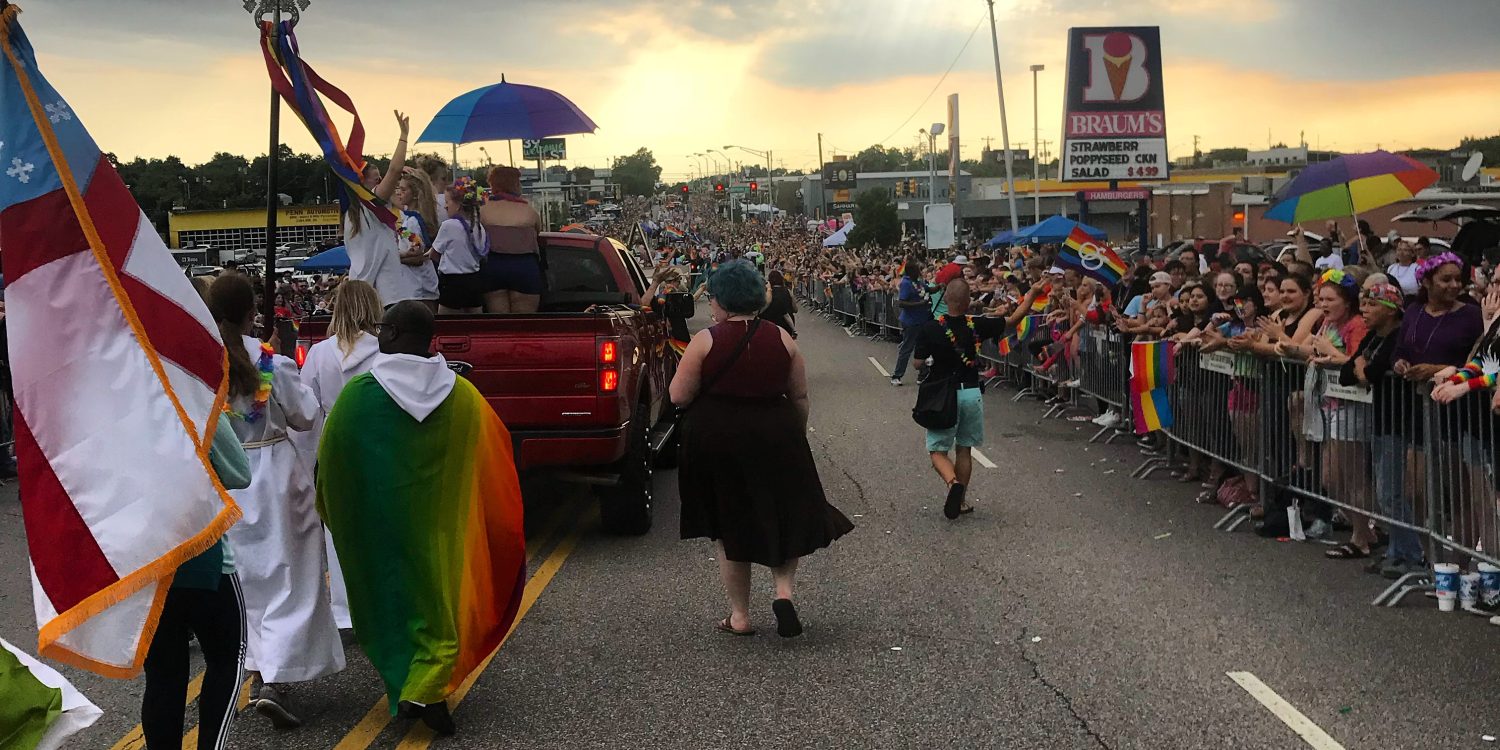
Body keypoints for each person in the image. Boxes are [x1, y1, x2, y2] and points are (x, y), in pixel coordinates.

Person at [317, 301, 527, 736]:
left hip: (384, 529)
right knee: (443, 603)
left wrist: (346, 512)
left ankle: (418, 687)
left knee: (394, 604)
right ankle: (428, 686)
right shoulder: (465, 396)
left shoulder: (359, 395)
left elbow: (330, 464)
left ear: (391, 334)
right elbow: (496, 453)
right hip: (447, 529)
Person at [670, 260, 852, 639]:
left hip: (721, 440)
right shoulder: (782, 339)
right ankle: (783, 594)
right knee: (783, 512)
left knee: (729, 525)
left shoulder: (707, 339)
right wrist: (794, 434)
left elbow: (678, 395)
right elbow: (799, 395)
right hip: (778, 433)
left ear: (722, 301)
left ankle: (739, 615)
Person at [208, 274, 344, 729]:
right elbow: (306, 416)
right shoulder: (270, 362)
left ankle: (254, 667)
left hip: (228, 478)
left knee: (247, 579)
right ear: (252, 312)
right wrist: (272, 357)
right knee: (293, 576)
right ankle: (274, 680)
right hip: (276, 475)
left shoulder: (202, 362)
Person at [142, 410, 251, 748]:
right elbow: (238, 472)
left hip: (148, 560)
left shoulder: (117, 401)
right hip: (206, 558)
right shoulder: (193, 394)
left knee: (162, 676)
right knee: (226, 660)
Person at [295, 280, 383, 629]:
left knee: (338, 529)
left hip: (333, 444)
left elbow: (306, 411)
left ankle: (345, 611)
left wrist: (304, 465)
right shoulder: (384, 351)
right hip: (376, 442)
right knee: (379, 526)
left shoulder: (319, 354)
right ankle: (380, 603)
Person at [915, 278, 1041, 519]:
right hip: (971, 392)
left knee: (937, 450)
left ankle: (953, 484)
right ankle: (961, 502)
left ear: (947, 299)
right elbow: (1014, 321)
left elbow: (917, 362)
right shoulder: (977, 324)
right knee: (964, 449)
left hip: (944, 395)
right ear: (967, 301)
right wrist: (1033, 293)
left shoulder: (931, 328)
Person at [343, 111, 426, 307]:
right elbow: (395, 170)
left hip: (361, 288)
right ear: (362, 184)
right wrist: (403, 136)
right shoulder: (371, 203)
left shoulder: (352, 212)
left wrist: (404, 255)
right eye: (377, 179)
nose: (383, 183)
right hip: (382, 292)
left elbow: (377, 249)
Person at [479, 166, 545, 313]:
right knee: (524, 324)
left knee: (500, 323)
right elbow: (538, 232)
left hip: (493, 265)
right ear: (514, 184)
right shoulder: (529, 212)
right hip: (524, 266)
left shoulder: (483, 211)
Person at [429, 177, 489, 314]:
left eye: (447, 202)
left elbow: (434, 253)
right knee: (474, 324)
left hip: (453, 282)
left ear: (458, 205)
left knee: (449, 326)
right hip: (474, 280)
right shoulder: (478, 227)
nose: (445, 206)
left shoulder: (448, 225)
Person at [391, 170, 441, 312]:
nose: (399, 193)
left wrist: (393, 258)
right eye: (398, 189)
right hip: (415, 285)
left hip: (418, 285)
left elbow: (418, 256)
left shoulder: (412, 221)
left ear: (414, 194)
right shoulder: (408, 219)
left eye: (403, 189)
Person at [890, 259, 932, 386]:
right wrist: (920, 303)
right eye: (917, 269)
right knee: (907, 348)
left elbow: (929, 290)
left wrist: (940, 286)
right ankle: (897, 375)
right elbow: (902, 302)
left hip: (923, 319)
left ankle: (923, 374)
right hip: (911, 321)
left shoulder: (918, 282)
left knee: (923, 348)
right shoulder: (906, 283)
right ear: (911, 270)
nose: (919, 271)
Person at [760, 269, 798, 336]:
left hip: (770, 322)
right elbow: (795, 309)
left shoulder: (767, 293)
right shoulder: (788, 291)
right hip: (786, 325)